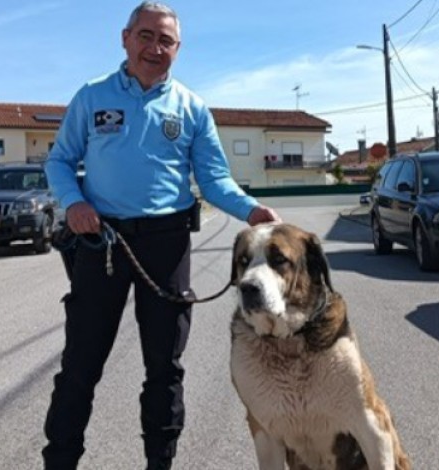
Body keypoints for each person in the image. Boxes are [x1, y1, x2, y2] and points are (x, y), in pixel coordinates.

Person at [41, 2, 281, 469]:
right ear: (125, 38)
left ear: (178, 48)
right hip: (102, 243)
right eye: (146, 36)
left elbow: (213, 181)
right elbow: (59, 161)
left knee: (164, 369)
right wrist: (74, 203)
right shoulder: (91, 97)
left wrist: (252, 210)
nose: (155, 48)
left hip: (166, 244)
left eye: (165, 40)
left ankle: (160, 462)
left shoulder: (191, 108)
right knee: (80, 368)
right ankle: (60, 461)